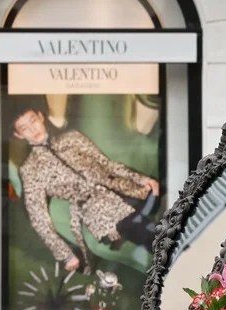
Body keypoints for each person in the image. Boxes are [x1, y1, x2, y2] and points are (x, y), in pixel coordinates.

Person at [11, 103, 159, 273]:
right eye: (24, 128)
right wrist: (65, 254)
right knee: (145, 231)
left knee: (158, 212)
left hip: (121, 188)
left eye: (33, 121)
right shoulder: (30, 169)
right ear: (18, 134)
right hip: (98, 209)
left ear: (40, 116)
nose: (33, 129)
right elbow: (38, 217)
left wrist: (141, 179)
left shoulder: (72, 138)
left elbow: (107, 164)